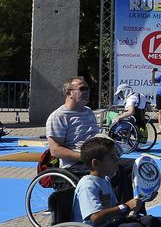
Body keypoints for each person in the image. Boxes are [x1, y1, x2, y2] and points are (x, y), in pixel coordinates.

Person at [47, 76, 145, 208]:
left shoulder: (88, 112)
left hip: (98, 157)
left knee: (134, 165)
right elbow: (55, 150)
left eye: (88, 88)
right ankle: (118, 210)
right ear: (69, 93)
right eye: (82, 89)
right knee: (113, 169)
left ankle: (135, 208)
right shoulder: (58, 117)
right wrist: (84, 156)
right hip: (76, 163)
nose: (87, 91)